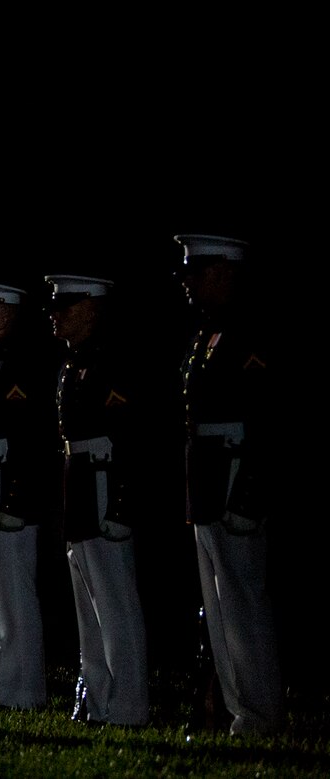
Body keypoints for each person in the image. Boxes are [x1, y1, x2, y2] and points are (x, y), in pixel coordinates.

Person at [172, 234, 283, 737]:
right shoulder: (208, 334)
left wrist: (251, 489)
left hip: (235, 471)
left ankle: (259, 711)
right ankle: (240, 710)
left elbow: (265, 416)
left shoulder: (247, 331)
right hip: (210, 474)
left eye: (198, 272)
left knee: (243, 598)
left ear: (224, 273)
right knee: (220, 603)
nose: (189, 282)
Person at [45, 273, 149, 726]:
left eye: (65, 306)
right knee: (89, 608)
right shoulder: (74, 362)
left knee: (116, 605)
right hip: (82, 487)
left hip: (105, 488)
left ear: (90, 307)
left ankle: (128, 706)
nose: (56, 314)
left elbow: (130, 437)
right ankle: (97, 701)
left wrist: (121, 504)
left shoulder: (113, 360)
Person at [0, 279, 59, 709]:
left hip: (6, 490)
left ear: (3, 316)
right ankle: (10, 690)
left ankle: (24, 693)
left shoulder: (19, 365)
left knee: (16, 600)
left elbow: (31, 438)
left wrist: (15, 498)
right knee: (0, 602)